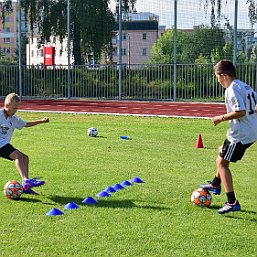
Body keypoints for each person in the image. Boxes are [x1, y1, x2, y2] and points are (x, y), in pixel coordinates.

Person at [201, 60, 257, 214]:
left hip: (240, 134)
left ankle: (232, 202)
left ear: (223, 75)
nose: (218, 80)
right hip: (250, 131)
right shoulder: (244, 86)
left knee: (222, 163)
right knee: (221, 152)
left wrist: (221, 118)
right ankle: (215, 184)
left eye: (217, 77)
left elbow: (241, 111)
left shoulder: (231, 89)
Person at [0, 92, 49, 194]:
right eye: (14, 108)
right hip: (1, 145)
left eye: (17, 108)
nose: (15, 111)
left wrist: (41, 121)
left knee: (25, 158)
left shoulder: (14, 119)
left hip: (4, 145)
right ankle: (26, 181)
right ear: (6, 105)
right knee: (18, 156)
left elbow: (26, 124)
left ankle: (26, 187)